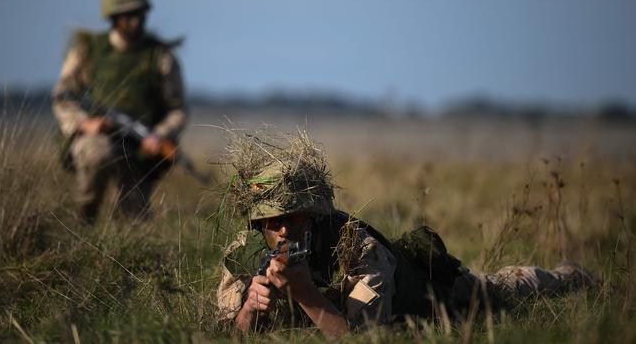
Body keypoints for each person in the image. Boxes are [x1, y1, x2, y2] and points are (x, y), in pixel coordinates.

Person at [216, 130, 595, 338]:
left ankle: (572, 277)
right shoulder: (246, 254)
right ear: (257, 225)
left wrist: (304, 293)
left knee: (501, 288)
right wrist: (250, 308)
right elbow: (232, 335)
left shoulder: (358, 249)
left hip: (431, 297)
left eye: (296, 218)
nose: (284, 229)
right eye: (272, 221)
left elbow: (362, 338)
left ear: (314, 218)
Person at [52, 0, 186, 223]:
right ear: (114, 17)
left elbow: (177, 110)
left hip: (140, 146)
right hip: (97, 138)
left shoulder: (159, 56)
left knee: (134, 222)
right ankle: (83, 221)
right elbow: (63, 96)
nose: (136, 21)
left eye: (140, 14)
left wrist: (159, 134)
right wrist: (83, 123)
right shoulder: (88, 51)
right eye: (128, 15)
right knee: (96, 153)